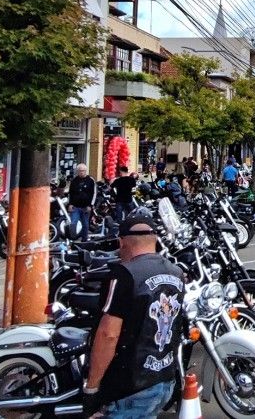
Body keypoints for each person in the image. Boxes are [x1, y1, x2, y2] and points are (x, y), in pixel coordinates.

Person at [84, 214, 185, 417]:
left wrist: (92, 387)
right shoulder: (177, 273)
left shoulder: (124, 275)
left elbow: (108, 335)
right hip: (164, 378)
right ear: (155, 240)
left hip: (131, 386)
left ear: (122, 242)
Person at [67, 163, 97, 241]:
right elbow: (71, 193)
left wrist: (90, 205)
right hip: (75, 206)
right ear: (77, 171)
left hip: (86, 207)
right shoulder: (74, 181)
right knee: (73, 223)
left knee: (85, 224)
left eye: (83, 171)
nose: (81, 172)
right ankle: (72, 239)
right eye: (80, 171)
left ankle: (84, 240)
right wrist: (70, 204)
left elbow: (94, 193)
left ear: (86, 171)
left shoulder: (90, 180)